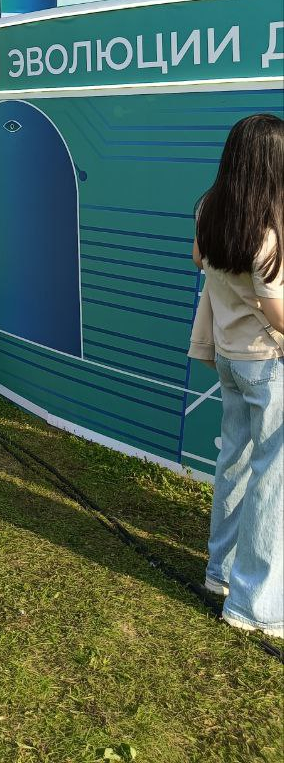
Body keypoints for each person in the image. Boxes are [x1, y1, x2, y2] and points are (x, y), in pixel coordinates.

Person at [189, 113, 284, 640]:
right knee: (272, 480)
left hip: (229, 357)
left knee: (236, 462)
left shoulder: (209, 208)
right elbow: (278, 314)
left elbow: (199, 260)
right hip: (268, 363)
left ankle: (220, 572)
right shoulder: (267, 231)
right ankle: (256, 605)